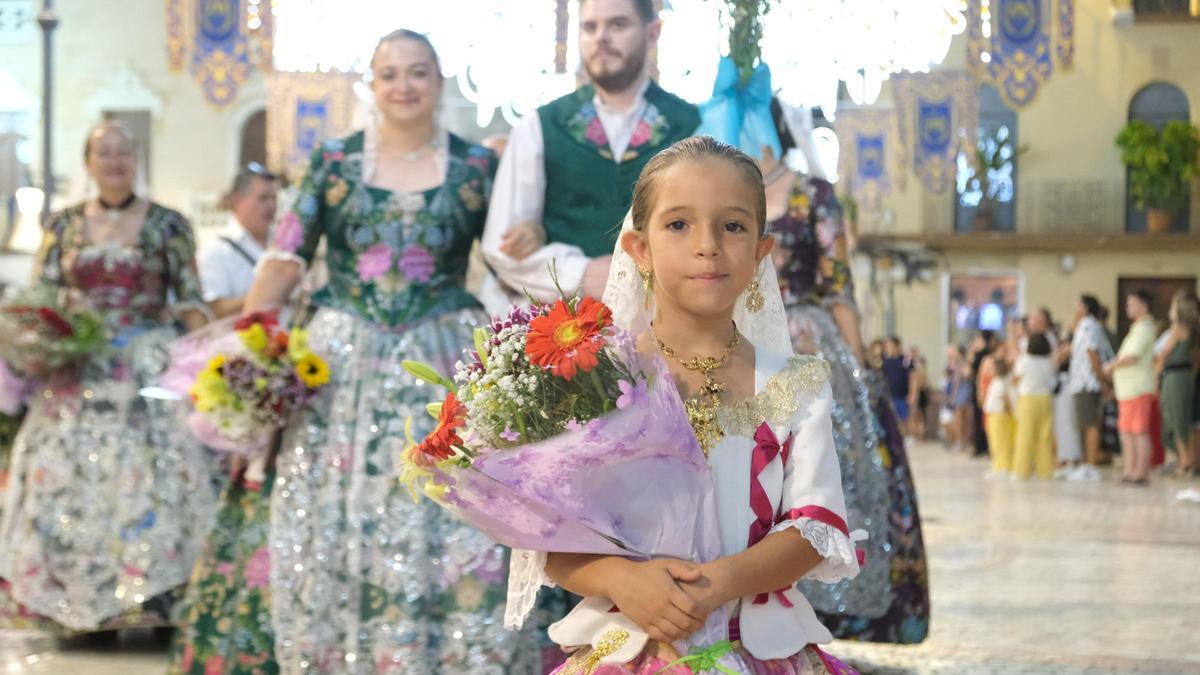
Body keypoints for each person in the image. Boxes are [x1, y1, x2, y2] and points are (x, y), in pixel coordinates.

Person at [167, 31, 537, 674]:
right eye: (389, 73)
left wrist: (530, 249)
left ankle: (448, 653)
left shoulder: (478, 167)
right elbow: (286, 258)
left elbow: (508, 264)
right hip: (338, 363)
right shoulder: (331, 163)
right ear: (371, 84)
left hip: (440, 358)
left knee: (446, 507)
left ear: (438, 81)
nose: (403, 85)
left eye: (417, 72)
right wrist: (253, 344)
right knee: (327, 505)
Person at [521, 135, 860, 674]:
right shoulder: (594, 378)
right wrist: (620, 580)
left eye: (733, 226)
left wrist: (714, 587)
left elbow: (814, 527)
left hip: (761, 652)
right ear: (640, 249)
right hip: (629, 651)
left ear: (761, 253)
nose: (708, 245)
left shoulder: (797, 383)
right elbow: (554, 534)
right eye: (678, 224)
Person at [0, 122, 214, 633]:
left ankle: (153, 594)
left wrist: (210, 359)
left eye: (123, 151)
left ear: (136, 159)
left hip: (147, 365)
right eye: (104, 152)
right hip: (79, 363)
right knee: (68, 473)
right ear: (88, 162)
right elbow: (43, 301)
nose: (114, 161)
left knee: (151, 474)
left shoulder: (169, 225)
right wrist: (43, 342)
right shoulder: (63, 223)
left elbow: (189, 300)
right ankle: (69, 599)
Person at [767, 103, 928, 643]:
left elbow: (837, 283)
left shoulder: (813, 193)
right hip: (734, 340)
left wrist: (859, 372)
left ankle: (830, 607)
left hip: (809, 348)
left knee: (828, 467)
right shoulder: (712, 188)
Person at [481, 0, 700, 305]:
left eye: (618, 24)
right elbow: (501, 247)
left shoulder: (692, 125)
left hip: (669, 320)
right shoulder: (541, 126)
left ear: (652, 34)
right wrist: (581, 274)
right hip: (565, 328)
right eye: (589, 26)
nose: (601, 37)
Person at [196, 162, 279, 318]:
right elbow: (215, 310)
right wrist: (269, 292)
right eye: (263, 198)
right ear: (238, 200)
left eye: (274, 198)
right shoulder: (216, 249)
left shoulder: (284, 243)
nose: (271, 206)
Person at [1105, 290, 1158, 485]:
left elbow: (1132, 356)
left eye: (1132, 304)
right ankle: (1130, 469)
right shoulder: (1137, 328)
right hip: (1128, 389)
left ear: (1143, 306)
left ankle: (1140, 472)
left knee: (1138, 432)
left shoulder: (1145, 328)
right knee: (1127, 432)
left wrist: (1111, 365)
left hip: (1137, 388)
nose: (1128, 308)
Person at [1064, 295, 1113, 475]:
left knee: (1091, 423)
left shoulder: (1089, 326)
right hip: (1081, 381)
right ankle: (1086, 463)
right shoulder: (1083, 325)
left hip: (1088, 382)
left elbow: (1093, 354)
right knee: (1084, 423)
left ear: (1085, 307)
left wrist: (1102, 380)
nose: (1074, 308)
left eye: (1077, 305)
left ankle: (1091, 466)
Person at [1155, 289, 1199, 478]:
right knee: (1184, 419)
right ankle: (1187, 461)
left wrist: (1155, 378)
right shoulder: (1194, 329)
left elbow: (1163, 354)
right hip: (1187, 376)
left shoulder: (1178, 328)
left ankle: (1184, 461)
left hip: (1173, 377)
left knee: (1176, 419)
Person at [1012, 332, 1057, 479]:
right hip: (1045, 399)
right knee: (1044, 436)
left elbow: (1016, 378)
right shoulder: (1048, 361)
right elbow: (1052, 381)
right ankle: (1045, 471)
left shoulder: (1025, 360)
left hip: (1028, 399)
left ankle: (1022, 470)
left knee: (1025, 435)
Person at [982, 353, 1018, 477]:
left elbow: (1006, 398)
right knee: (995, 442)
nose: (989, 370)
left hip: (1001, 416)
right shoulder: (996, 381)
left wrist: (1009, 411)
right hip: (994, 415)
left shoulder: (1003, 382)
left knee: (1003, 442)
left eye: (992, 367)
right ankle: (997, 466)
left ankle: (1005, 467)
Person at [881, 336, 912, 423]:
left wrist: (912, 393)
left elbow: (912, 376)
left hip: (902, 397)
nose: (889, 349)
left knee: (904, 419)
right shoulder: (885, 361)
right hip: (889, 396)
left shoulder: (905, 360)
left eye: (891, 346)